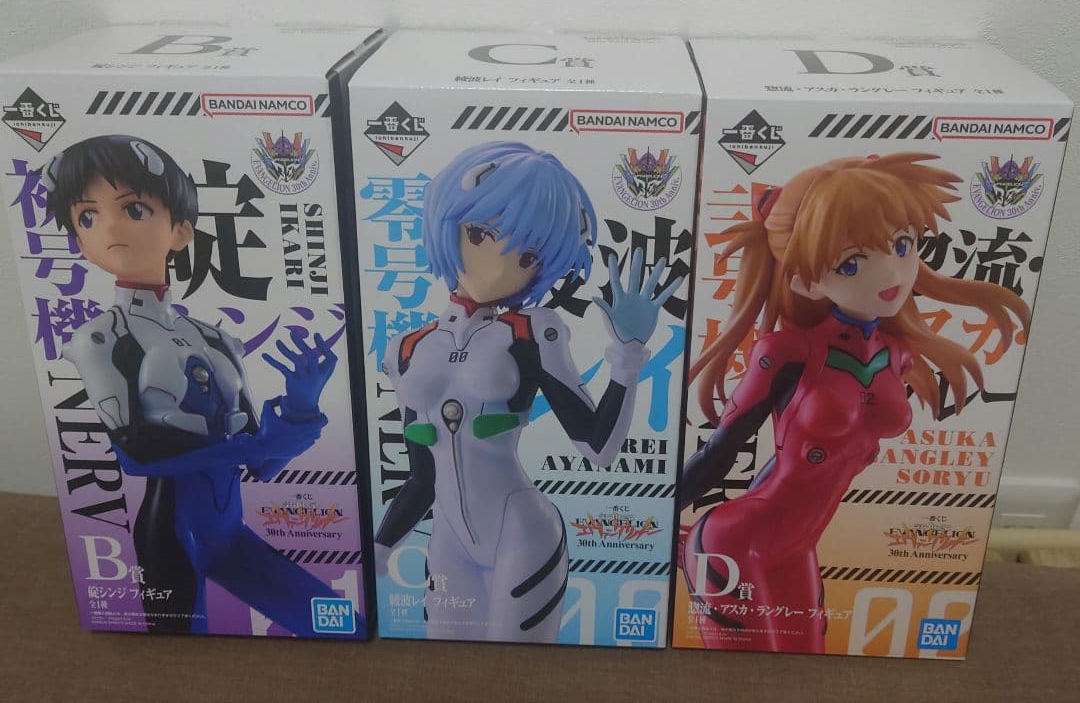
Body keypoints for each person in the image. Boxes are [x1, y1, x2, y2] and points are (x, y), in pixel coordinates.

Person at [679, 153, 1029, 652]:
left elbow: (806, 461)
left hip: (797, 546)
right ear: (804, 281)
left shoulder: (896, 354)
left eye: (903, 244)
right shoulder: (785, 353)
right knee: (737, 674)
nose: (892, 272)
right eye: (851, 262)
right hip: (732, 542)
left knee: (809, 662)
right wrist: (654, 514)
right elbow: (721, 450)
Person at [44, 134, 356, 636]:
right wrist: (252, 445)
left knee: (341, 624)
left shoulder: (215, 338)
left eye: (134, 209)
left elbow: (264, 463)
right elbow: (136, 457)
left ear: (181, 231)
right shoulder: (101, 338)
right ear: (79, 243)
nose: (111, 227)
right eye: (87, 217)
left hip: (230, 532)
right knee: (176, 659)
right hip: (171, 535)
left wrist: (300, 409)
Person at [373, 141, 682, 642]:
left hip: (522, 531)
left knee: (519, 669)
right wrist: (382, 544)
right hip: (448, 537)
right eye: (479, 234)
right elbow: (422, 475)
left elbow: (598, 448)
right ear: (446, 223)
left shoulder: (532, 331)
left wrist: (627, 356)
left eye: (528, 255)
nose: (498, 268)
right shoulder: (406, 347)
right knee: (443, 665)